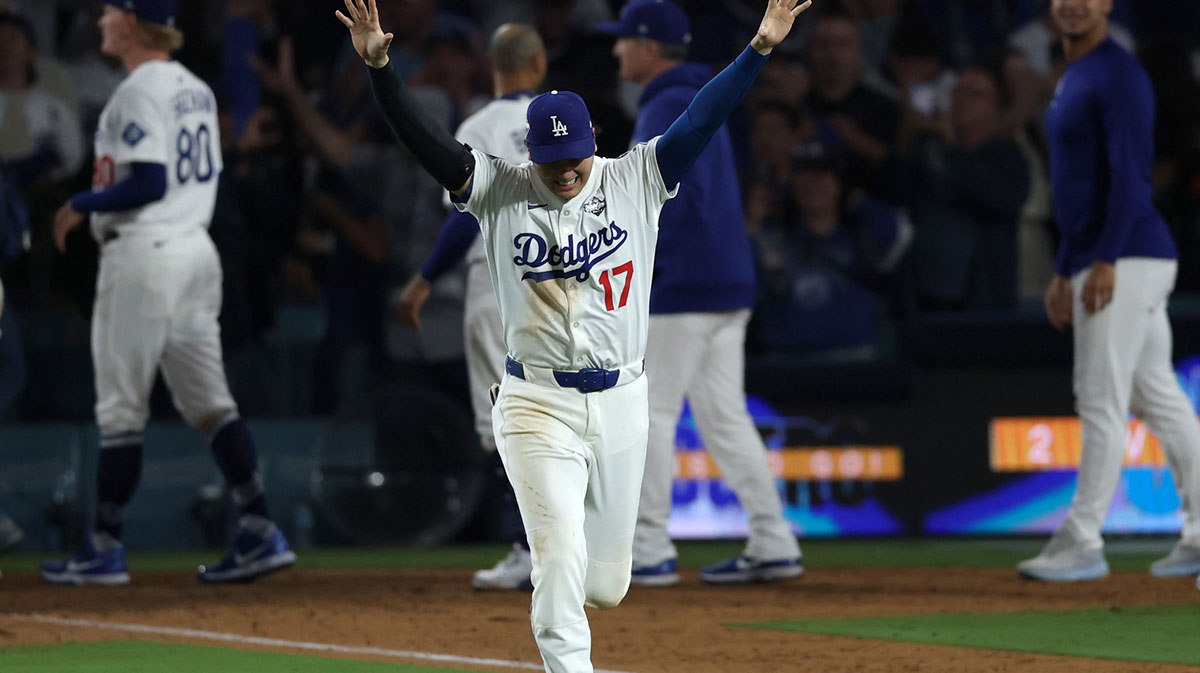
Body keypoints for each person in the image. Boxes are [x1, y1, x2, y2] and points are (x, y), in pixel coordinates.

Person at [337, 0, 812, 669]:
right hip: (536, 405)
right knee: (556, 550)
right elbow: (430, 146)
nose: (565, 174)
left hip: (620, 404)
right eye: (553, 161)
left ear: (595, 139)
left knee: (607, 585)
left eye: (576, 159)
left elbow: (704, 116)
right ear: (530, 151)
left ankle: (587, 578)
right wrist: (381, 69)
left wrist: (760, 48)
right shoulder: (500, 188)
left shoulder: (636, 178)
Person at [40, 0, 296, 586]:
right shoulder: (196, 88)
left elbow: (149, 180)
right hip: (195, 252)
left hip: (145, 253)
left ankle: (104, 544)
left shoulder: (135, 91)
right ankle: (259, 525)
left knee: (120, 408)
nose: (99, 22)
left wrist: (80, 203)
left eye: (107, 14)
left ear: (130, 23)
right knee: (210, 402)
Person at [599, 0, 800, 586]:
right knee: (723, 415)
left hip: (684, 283)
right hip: (728, 279)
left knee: (651, 412)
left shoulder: (662, 102)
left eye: (623, 40)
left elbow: (667, 202)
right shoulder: (698, 97)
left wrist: (642, 273)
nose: (615, 50)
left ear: (648, 48)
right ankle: (773, 537)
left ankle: (650, 547)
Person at [1017, 0, 1200, 582]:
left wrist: (1102, 259)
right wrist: (1066, 268)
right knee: (1159, 401)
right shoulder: (1077, 71)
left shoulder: (1118, 73)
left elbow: (1128, 173)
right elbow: (1077, 184)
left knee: (1100, 400)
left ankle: (1082, 539)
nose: (1072, 4)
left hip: (1128, 255)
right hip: (1115, 255)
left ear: (1108, 4)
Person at [395, 22, 550, 591]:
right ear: (538, 64)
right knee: (565, 415)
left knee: (503, 422)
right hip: (565, 283)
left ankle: (529, 548)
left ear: (493, 67)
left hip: (499, 288)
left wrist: (423, 279)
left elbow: (465, 215)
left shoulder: (479, 125)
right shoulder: (564, 122)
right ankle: (576, 545)